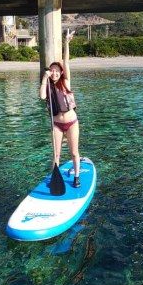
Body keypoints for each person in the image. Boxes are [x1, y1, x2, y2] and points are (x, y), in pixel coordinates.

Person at [40, 29, 81, 188]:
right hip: (57, 125)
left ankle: (76, 177)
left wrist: (66, 43)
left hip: (71, 122)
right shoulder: (47, 86)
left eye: (57, 71)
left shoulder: (66, 82)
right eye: (53, 71)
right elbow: (43, 97)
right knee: (56, 155)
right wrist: (45, 77)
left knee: (73, 153)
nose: (55, 73)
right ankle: (54, 178)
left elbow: (66, 61)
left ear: (61, 72)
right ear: (50, 73)